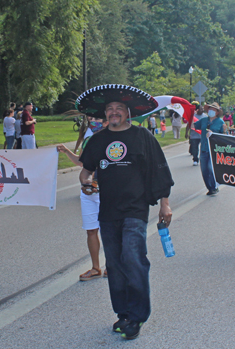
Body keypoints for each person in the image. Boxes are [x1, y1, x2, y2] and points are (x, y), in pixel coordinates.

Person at [76, 84, 174, 340]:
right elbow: (85, 171)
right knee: (115, 265)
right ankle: (123, 314)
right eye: (109, 109)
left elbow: (160, 172)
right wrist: (86, 181)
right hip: (107, 210)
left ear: (128, 112)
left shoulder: (143, 137)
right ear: (105, 114)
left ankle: (138, 316)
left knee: (133, 258)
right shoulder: (97, 141)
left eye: (119, 108)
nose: (114, 112)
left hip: (135, 208)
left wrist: (165, 203)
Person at [57, 116, 108, 281]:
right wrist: (66, 151)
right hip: (89, 193)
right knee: (91, 230)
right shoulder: (89, 141)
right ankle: (95, 268)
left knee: (110, 231)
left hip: (108, 192)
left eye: (99, 118)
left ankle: (112, 265)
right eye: (92, 118)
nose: (94, 121)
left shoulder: (115, 141)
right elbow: (82, 164)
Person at [194, 102, 225, 195]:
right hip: (204, 148)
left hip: (214, 150)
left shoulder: (221, 123)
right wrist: (189, 115)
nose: (211, 111)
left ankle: (214, 186)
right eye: (210, 109)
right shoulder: (204, 120)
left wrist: (214, 134)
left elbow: (224, 136)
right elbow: (194, 126)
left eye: (214, 109)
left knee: (211, 169)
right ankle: (210, 188)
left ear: (217, 112)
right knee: (204, 170)